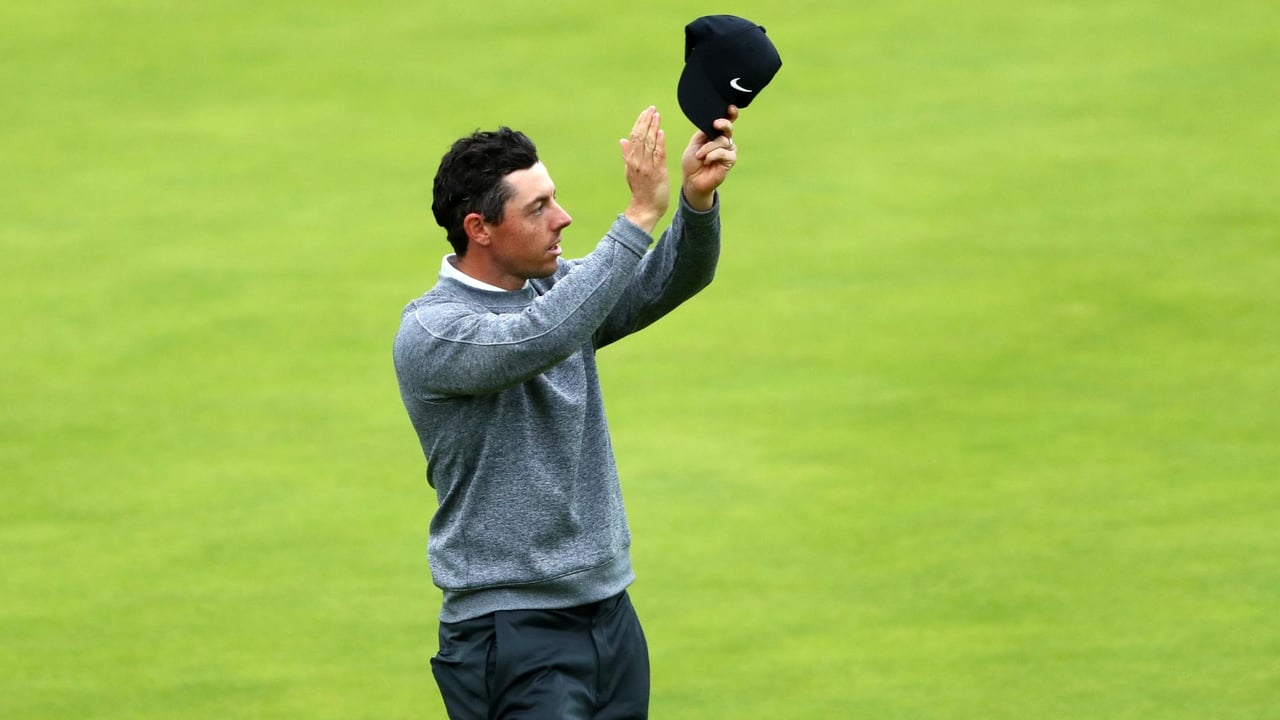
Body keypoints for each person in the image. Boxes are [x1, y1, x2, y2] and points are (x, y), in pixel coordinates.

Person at [393, 104, 739, 719]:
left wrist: (695, 200)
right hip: (512, 629)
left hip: (609, 613)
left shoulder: (559, 294)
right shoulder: (434, 332)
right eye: (538, 208)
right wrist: (638, 214)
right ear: (479, 228)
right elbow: (539, 336)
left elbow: (669, 278)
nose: (563, 217)